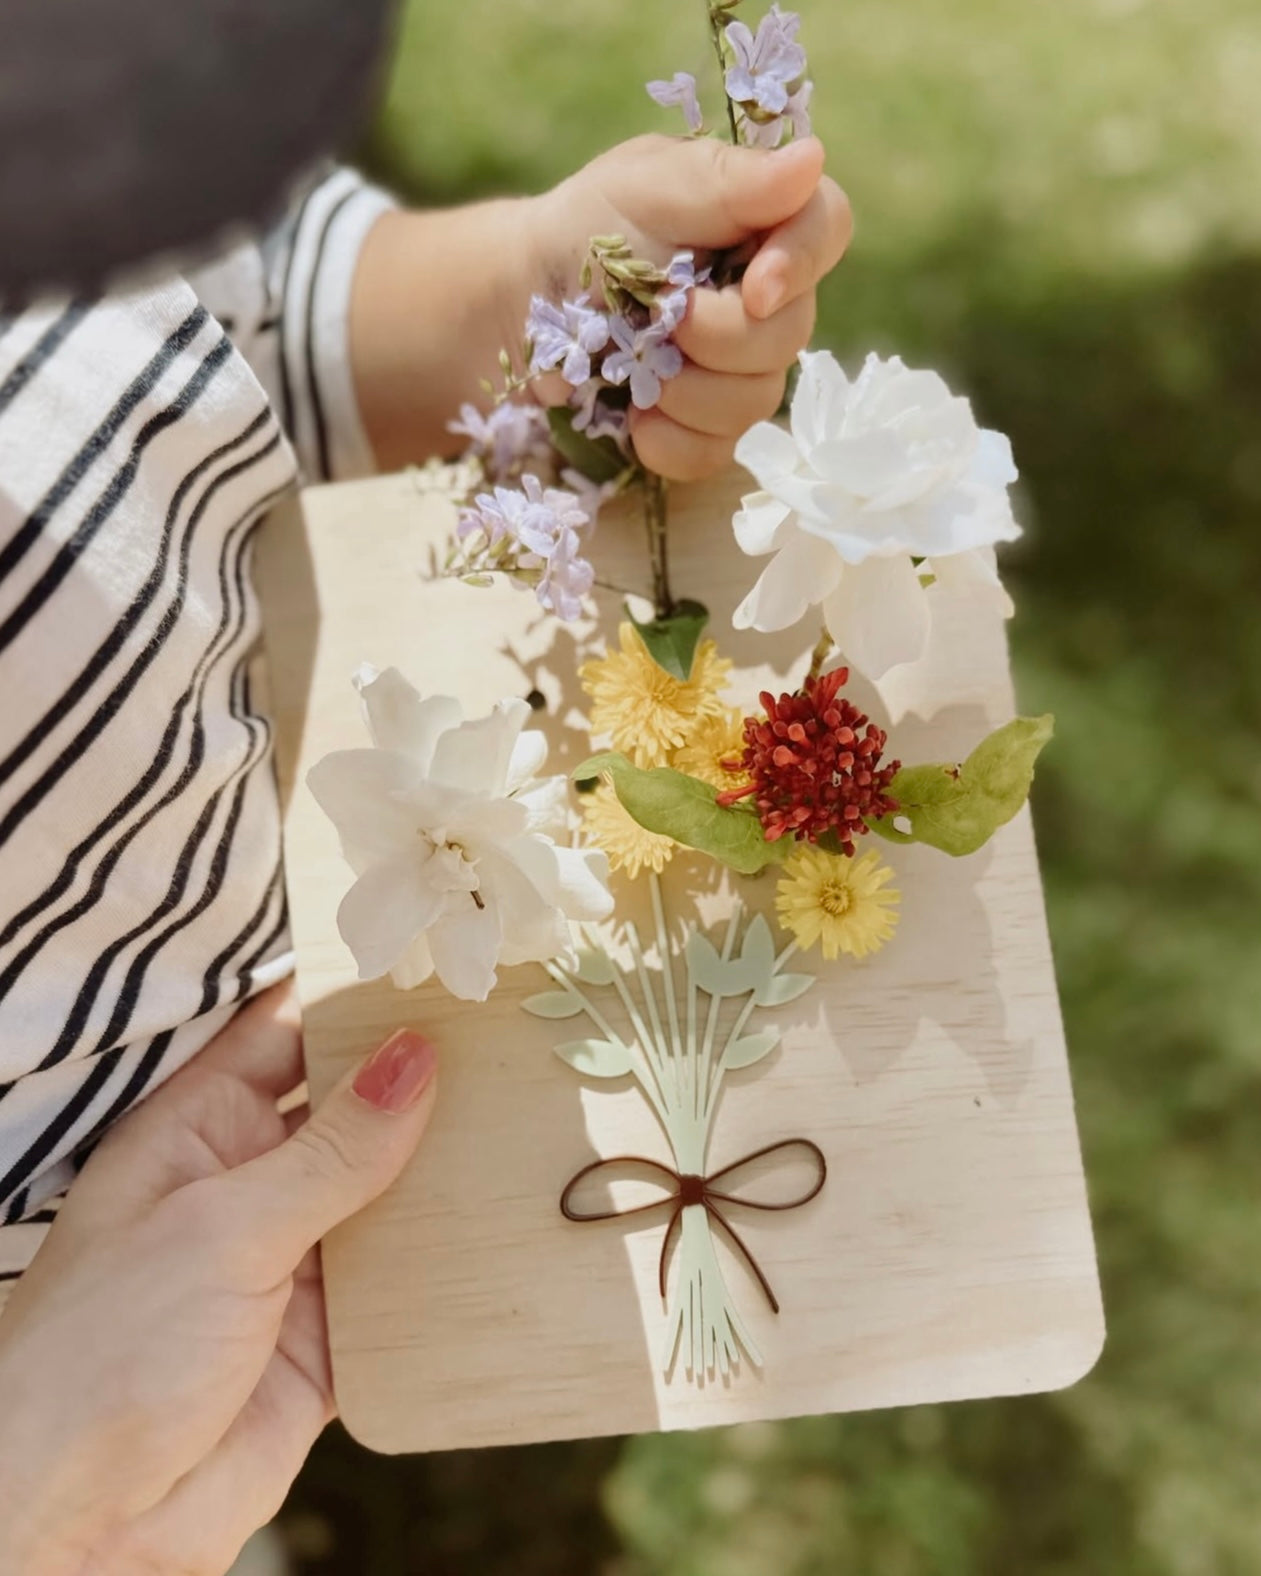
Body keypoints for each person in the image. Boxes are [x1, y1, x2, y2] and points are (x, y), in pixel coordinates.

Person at [0, 9, 852, 1569]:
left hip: (180, 1329)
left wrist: (535, 299)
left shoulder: (60, 104)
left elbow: (253, 320)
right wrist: (38, 1493)